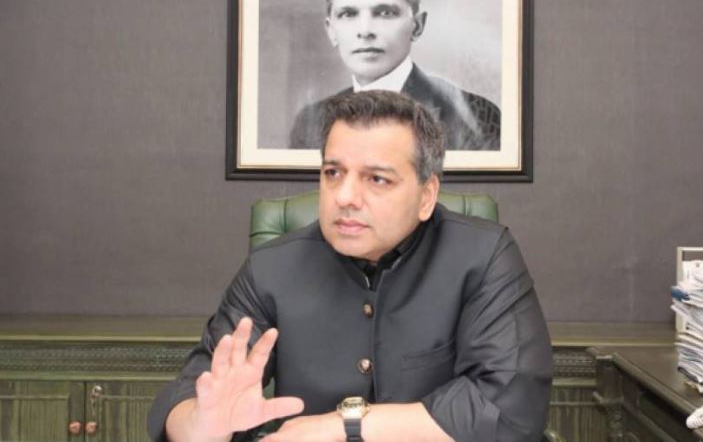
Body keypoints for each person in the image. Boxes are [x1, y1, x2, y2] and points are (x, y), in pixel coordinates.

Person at [148, 90, 551, 442]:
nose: (344, 196)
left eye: (377, 179)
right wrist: (205, 425)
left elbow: (510, 409)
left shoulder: (483, 256)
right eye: (333, 173)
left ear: (427, 195)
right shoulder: (270, 268)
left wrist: (343, 426)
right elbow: (191, 399)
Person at [289, 0, 501, 151]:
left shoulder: (475, 116)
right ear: (331, 31)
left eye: (385, 13)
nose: (365, 31)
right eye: (348, 14)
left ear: (417, 26)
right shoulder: (310, 121)